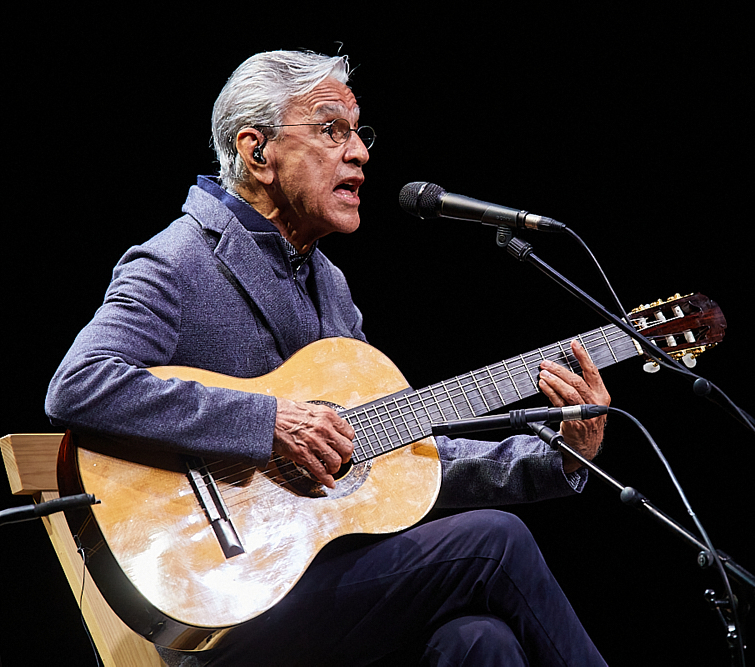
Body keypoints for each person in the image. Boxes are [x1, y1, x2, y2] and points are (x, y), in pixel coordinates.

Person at [46, 49, 610, 666]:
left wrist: (558, 454)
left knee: (477, 641)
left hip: (331, 592)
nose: (361, 153)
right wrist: (267, 424)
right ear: (258, 152)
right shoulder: (177, 259)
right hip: (239, 604)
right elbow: (80, 384)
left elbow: (399, 457)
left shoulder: (328, 284)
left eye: (358, 133)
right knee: (494, 544)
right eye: (330, 129)